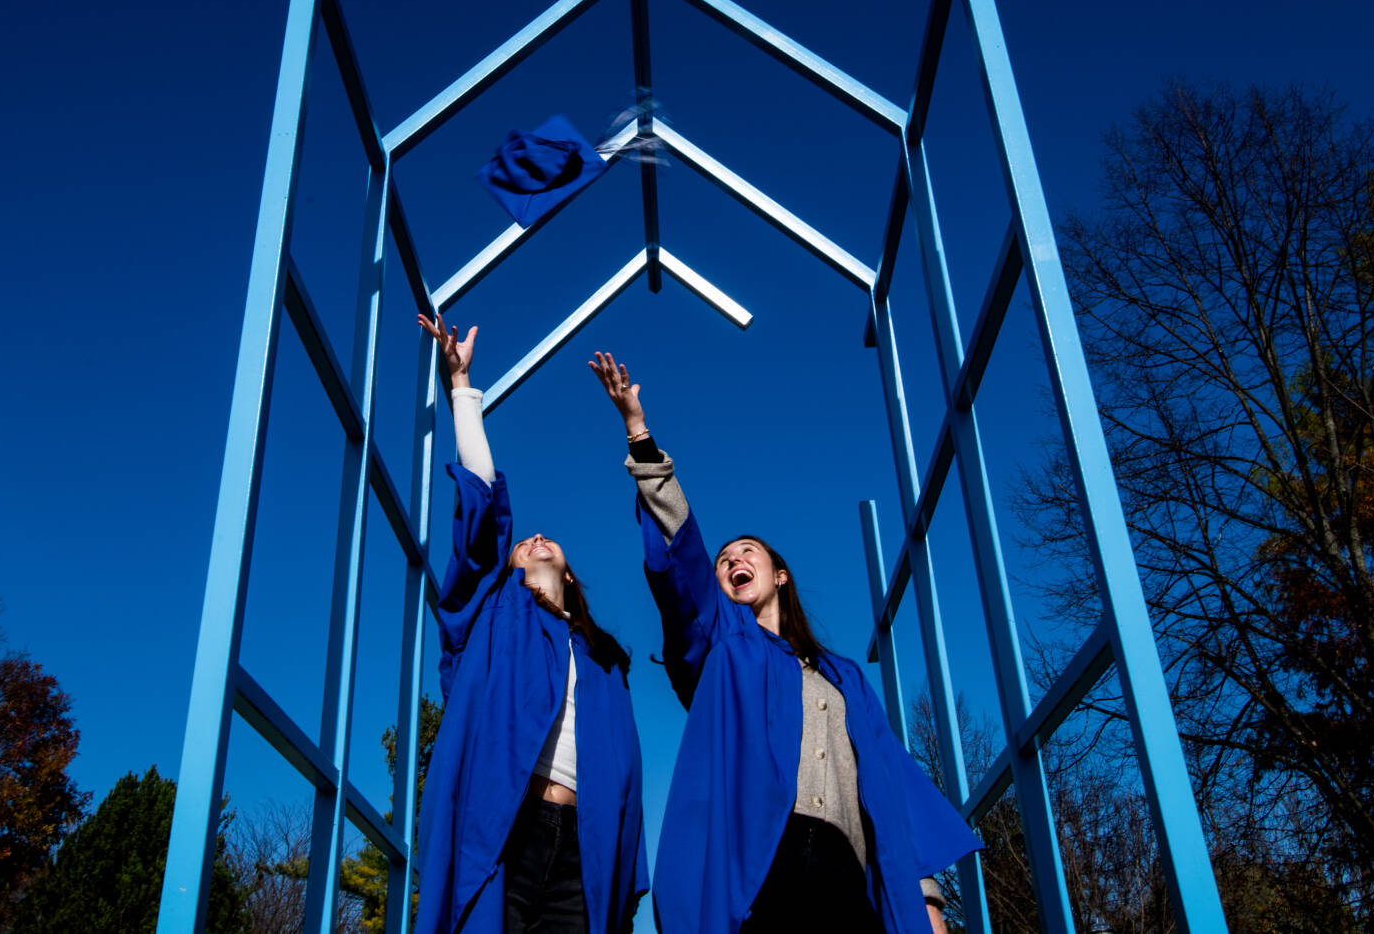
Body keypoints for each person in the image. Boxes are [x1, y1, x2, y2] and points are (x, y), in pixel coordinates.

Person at [588, 351, 974, 934]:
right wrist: (639, 434)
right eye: (724, 560)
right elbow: (681, 560)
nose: (731, 560)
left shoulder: (844, 677)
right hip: (762, 865)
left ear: (780, 574)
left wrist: (928, 901)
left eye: (747, 552)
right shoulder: (725, 645)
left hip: (846, 868)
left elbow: (893, 789)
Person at [413, 317, 648, 934]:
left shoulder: (602, 661)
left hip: (582, 847)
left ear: (570, 577)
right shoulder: (490, 617)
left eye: (546, 541)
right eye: (523, 545)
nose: (535, 538)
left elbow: (627, 773)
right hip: (505, 835)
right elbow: (483, 506)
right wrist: (462, 386)